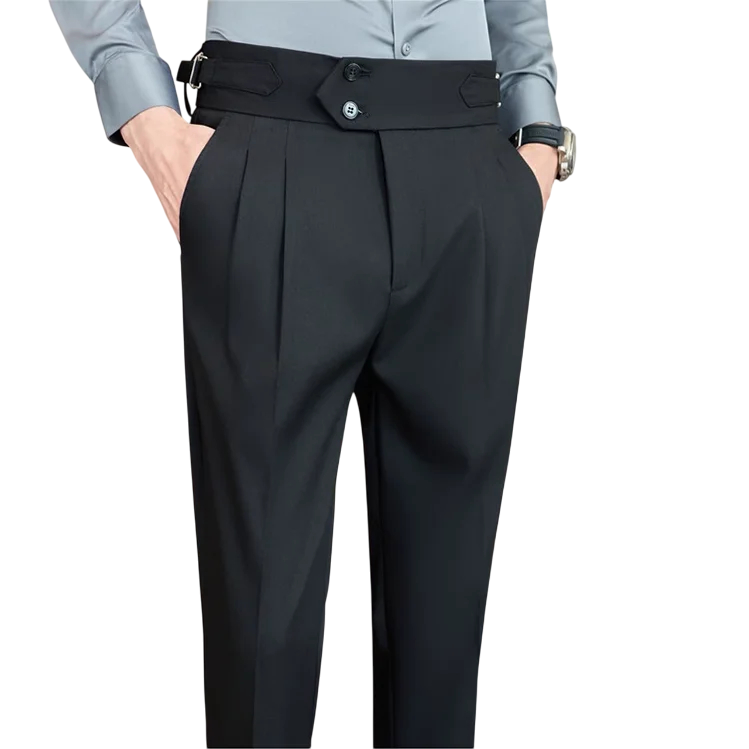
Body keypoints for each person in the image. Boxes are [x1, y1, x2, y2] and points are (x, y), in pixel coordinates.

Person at [49, 2, 576, 747]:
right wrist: (149, 119)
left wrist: (537, 126)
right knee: (262, 634)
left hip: (466, 159)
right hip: (275, 146)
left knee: (444, 639)